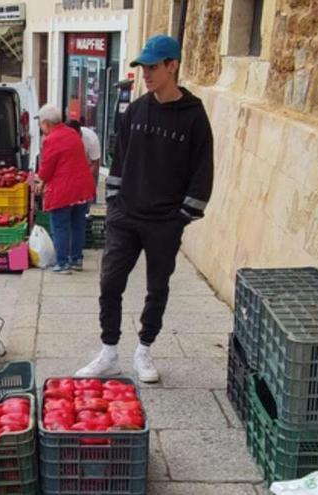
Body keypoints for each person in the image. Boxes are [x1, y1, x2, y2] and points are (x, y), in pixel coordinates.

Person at [75, 35, 214, 383]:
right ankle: (108, 352)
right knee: (109, 283)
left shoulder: (194, 117)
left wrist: (182, 217)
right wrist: (114, 204)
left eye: (152, 67)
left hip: (165, 222)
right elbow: (118, 158)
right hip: (126, 217)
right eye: (142, 68)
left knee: (157, 287)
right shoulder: (136, 110)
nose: (146, 74)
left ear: (172, 66)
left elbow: (203, 172)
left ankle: (144, 350)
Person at [36, 105, 96, 274]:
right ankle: (76, 259)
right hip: (82, 187)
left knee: (60, 226)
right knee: (78, 224)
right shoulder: (72, 133)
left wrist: (41, 180)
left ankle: (62, 263)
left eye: (41, 124)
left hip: (64, 189)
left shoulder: (51, 139)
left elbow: (47, 168)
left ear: (46, 123)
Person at [67, 119, 102, 196]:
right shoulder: (64, 137)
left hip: (88, 164)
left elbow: (95, 163)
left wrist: (85, 178)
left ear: (79, 132)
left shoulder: (91, 139)